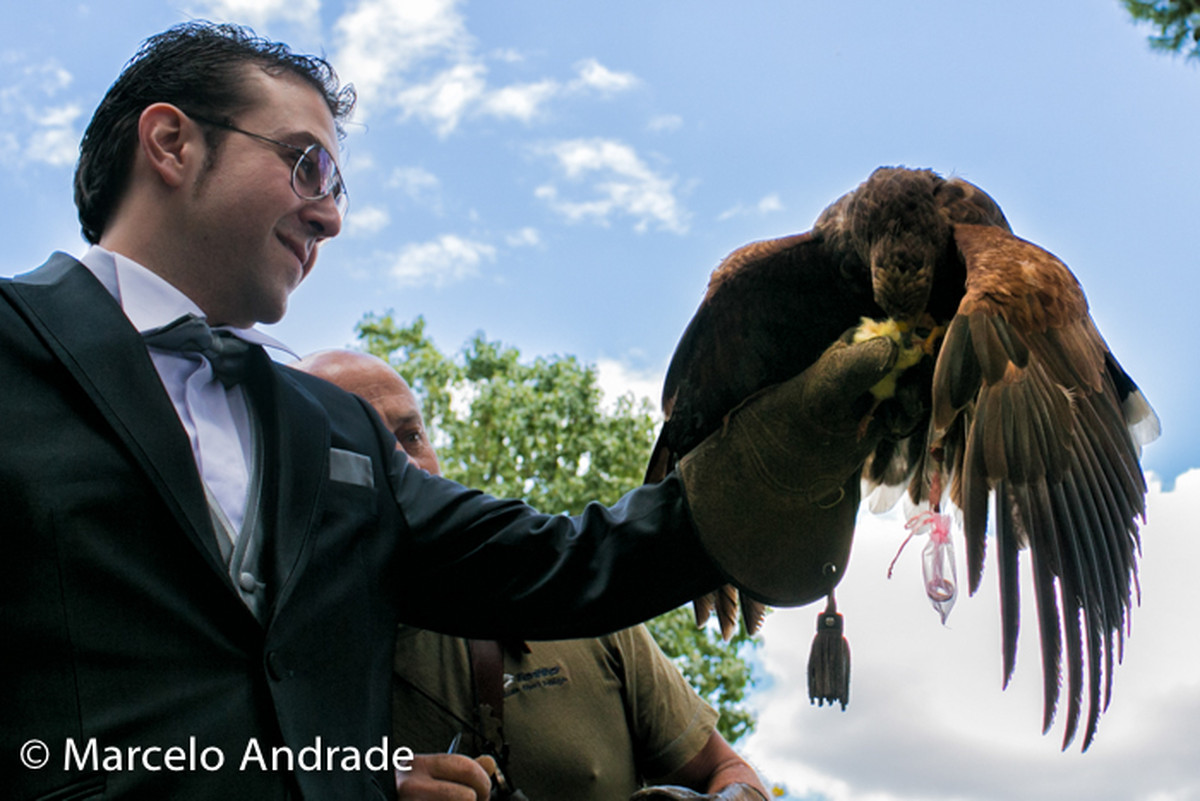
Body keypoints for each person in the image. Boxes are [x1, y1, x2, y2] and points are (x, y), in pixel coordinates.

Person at [1, 21, 899, 801]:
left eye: (339, 188)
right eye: (306, 163)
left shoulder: (333, 427)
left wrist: (774, 465)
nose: (332, 218)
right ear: (171, 143)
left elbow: (554, 562)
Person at [293, 349, 769, 801]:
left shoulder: (576, 613)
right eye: (363, 445)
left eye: (412, 436)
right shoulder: (269, 663)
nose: (407, 463)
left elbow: (730, 773)